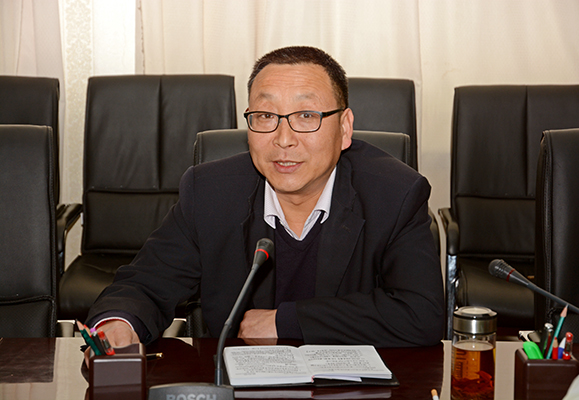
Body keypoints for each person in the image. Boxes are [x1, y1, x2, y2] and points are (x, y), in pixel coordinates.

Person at [85, 46, 444, 359]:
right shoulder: (210, 193)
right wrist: (119, 322)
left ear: (345, 128)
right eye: (266, 116)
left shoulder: (395, 193)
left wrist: (287, 321)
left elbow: (421, 313)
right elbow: (145, 284)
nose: (284, 139)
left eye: (306, 116)